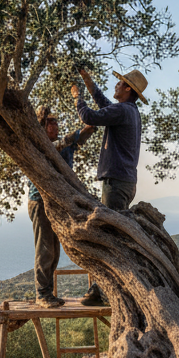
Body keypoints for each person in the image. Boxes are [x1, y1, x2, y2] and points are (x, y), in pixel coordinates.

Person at [71, 66, 147, 306]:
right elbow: (104, 103)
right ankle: (104, 288)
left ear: (128, 89)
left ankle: (102, 290)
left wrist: (78, 97)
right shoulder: (129, 111)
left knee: (109, 237)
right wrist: (88, 81)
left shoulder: (123, 110)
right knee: (113, 233)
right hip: (125, 181)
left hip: (115, 182)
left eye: (120, 83)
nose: (116, 85)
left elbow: (89, 117)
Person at [28, 105, 93, 308]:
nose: (55, 125)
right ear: (41, 126)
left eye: (56, 122)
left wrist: (94, 121)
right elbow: (55, 147)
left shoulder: (65, 145)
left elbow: (82, 135)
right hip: (40, 201)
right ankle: (42, 294)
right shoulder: (37, 146)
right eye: (50, 122)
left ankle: (48, 293)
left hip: (58, 203)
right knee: (45, 249)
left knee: (55, 250)